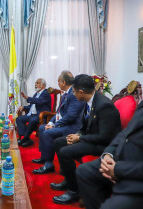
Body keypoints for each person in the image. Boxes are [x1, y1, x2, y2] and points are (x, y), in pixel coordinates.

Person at [51, 74, 121, 205]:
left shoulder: (104, 106)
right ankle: (69, 179)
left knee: (65, 152)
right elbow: (84, 126)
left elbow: (106, 137)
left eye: (74, 91)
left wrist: (80, 137)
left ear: (81, 92)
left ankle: (73, 191)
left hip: (102, 144)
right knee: (58, 142)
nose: (73, 94)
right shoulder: (88, 100)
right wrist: (76, 135)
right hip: (91, 138)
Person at [76, 100, 143, 209]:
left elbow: (104, 136)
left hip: (135, 174)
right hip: (120, 157)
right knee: (83, 171)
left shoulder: (103, 104)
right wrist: (108, 154)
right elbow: (125, 133)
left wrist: (118, 169)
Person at [33, 71, 85, 174]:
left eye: (58, 81)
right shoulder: (66, 93)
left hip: (72, 126)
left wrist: (55, 125)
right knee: (42, 128)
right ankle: (45, 158)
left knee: (47, 132)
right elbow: (58, 112)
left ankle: (49, 165)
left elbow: (71, 116)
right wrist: (51, 123)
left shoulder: (73, 94)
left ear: (64, 82)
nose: (57, 83)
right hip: (65, 123)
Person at [16, 78, 51, 147]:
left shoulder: (45, 93)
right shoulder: (36, 94)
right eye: (35, 82)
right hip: (32, 115)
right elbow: (32, 106)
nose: (35, 84)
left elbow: (39, 101)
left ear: (43, 85)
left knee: (32, 120)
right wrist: (24, 107)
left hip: (41, 115)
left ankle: (24, 139)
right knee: (19, 119)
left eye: (37, 83)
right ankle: (27, 139)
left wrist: (28, 97)